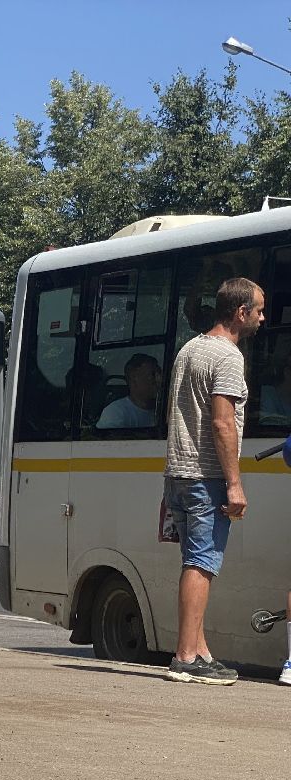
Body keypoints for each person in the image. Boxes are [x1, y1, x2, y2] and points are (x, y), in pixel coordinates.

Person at [163, 276, 264, 685]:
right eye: (258, 309)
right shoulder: (228, 356)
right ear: (240, 313)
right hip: (207, 476)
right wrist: (235, 483)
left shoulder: (190, 348)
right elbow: (223, 423)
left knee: (195, 562)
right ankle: (186, 656)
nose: (262, 317)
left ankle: (201, 651)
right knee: (202, 564)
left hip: (179, 472)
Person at [97, 353, 161, 429]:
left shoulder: (163, 411)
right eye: (152, 375)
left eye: (159, 373)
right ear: (134, 380)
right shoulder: (115, 412)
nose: (159, 379)